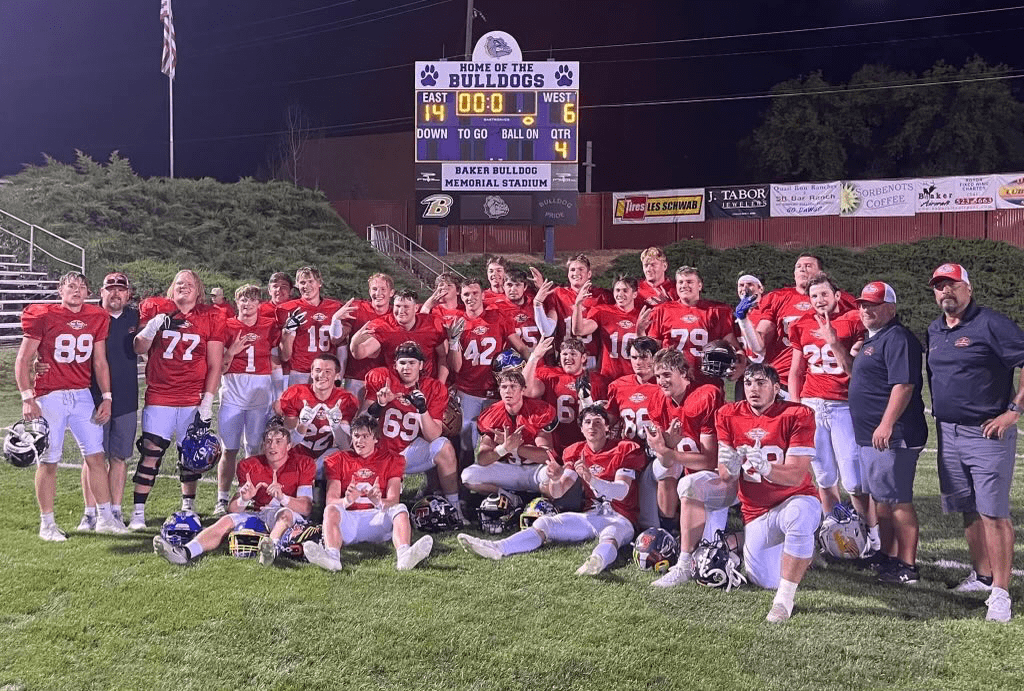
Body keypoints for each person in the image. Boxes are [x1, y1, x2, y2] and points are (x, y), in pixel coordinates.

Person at [925, 263, 1024, 622]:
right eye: (939, 286)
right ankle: (982, 576)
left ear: (968, 288)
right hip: (947, 432)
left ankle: (1000, 594)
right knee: (967, 507)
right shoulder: (935, 329)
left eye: (952, 285)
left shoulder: (991, 323)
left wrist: (1014, 411)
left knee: (993, 513)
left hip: (986, 432)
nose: (946, 292)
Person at [458, 405, 646, 576]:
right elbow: (558, 492)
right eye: (587, 422)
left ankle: (598, 561)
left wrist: (592, 480)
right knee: (545, 523)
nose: (592, 426)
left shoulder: (624, 448)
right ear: (581, 428)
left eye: (598, 422)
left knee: (611, 535)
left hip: (621, 518)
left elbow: (621, 491)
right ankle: (498, 548)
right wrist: (555, 479)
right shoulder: (576, 451)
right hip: (591, 516)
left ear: (607, 428)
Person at [15, 272, 126, 539]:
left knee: (96, 456)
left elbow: (99, 361)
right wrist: (27, 398)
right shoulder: (44, 315)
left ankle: (105, 518)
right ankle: (47, 524)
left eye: (82, 287)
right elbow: (23, 359)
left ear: (88, 292)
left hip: (82, 394)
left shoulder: (97, 316)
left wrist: (107, 397)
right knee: (49, 460)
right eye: (71, 286)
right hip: (50, 396)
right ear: (60, 290)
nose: (77, 290)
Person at [717, 365, 819, 622]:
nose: (754, 389)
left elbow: (796, 475)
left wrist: (766, 468)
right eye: (749, 383)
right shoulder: (728, 414)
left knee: (800, 515)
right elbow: (725, 475)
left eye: (761, 383)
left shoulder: (798, 414)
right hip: (756, 511)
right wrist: (731, 466)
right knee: (765, 580)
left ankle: (784, 601)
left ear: (776, 388)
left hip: (793, 498)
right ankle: (794, 548)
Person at [129, 269, 226, 529]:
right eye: (179, 283)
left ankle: (188, 508)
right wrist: (153, 326)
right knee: (151, 453)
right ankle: (138, 513)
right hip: (160, 395)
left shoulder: (211, 316)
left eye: (189, 283)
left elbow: (215, 364)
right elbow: (138, 347)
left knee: (190, 455)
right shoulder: (157, 309)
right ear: (172, 288)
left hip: (192, 398)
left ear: (199, 290)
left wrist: (207, 402)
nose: (184, 286)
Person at [848, 281, 928, 585]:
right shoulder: (876, 338)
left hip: (893, 435)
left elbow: (904, 384)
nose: (866, 310)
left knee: (898, 500)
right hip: (872, 436)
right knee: (881, 499)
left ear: (891, 309)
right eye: (863, 305)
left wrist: (887, 423)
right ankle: (888, 554)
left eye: (874, 305)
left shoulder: (897, 338)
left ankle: (907, 566)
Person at [787, 273, 874, 537]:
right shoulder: (801, 324)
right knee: (824, 476)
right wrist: (796, 408)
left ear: (837, 295)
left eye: (824, 294)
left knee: (854, 480)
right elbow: (795, 371)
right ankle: (837, 534)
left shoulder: (853, 320)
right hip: (812, 405)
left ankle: (871, 535)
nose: (819, 300)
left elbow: (854, 370)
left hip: (843, 406)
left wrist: (833, 340)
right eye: (814, 295)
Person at [152, 424, 314, 566]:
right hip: (260, 514)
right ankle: (185, 552)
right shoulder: (250, 465)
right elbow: (233, 509)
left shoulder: (303, 464)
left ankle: (272, 549)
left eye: (279, 441)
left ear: (289, 446)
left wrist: (282, 497)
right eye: (269, 441)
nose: (273, 446)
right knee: (226, 520)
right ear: (263, 445)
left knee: (284, 514)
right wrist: (244, 499)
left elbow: (306, 508)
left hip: (290, 517)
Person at [304, 415, 434, 572]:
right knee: (330, 510)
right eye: (356, 436)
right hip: (350, 523)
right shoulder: (338, 460)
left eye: (365, 436)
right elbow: (331, 500)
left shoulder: (391, 459)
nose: (360, 441)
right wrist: (346, 500)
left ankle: (404, 555)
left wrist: (378, 501)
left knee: (400, 509)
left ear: (376, 439)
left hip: (377, 520)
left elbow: (393, 500)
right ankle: (332, 557)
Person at [361, 341, 464, 522]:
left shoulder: (433, 388)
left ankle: (455, 507)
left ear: (421, 365)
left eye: (412, 363)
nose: (406, 367)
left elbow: (433, 435)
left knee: (444, 447)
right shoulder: (382, 378)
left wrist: (422, 410)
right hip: (380, 453)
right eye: (402, 363)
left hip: (409, 451)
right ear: (395, 365)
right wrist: (379, 405)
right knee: (374, 512)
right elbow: (360, 424)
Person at [736, 254, 855, 396]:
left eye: (808, 266)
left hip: (825, 380)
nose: (802, 269)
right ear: (794, 274)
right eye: (798, 266)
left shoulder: (841, 300)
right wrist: (743, 319)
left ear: (820, 273)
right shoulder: (778, 298)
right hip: (783, 379)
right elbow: (758, 346)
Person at [74, 272, 138, 531]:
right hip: (92, 397)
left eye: (120, 289)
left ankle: (115, 511)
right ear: (101, 292)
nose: (115, 293)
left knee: (119, 457)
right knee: (93, 457)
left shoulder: (135, 317)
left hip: (127, 396)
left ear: (128, 294)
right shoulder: (89, 316)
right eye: (110, 288)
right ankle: (90, 513)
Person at [215, 284, 282, 517]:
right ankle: (222, 498)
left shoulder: (269, 325)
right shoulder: (227, 326)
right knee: (229, 449)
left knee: (254, 450)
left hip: (259, 398)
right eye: (243, 299)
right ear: (236, 302)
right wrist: (231, 352)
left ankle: (250, 496)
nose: (247, 304)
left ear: (259, 303)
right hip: (232, 396)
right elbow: (219, 367)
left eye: (252, 299)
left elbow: (277, 361)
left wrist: (279, 395)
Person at [446, 278, 526, 462]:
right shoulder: (458, 323)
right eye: (466, 294)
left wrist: (532, 365)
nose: (471, 298)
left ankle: (496, 477)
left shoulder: (498, 317)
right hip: (468, 391)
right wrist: (453, 342)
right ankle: (465, 477)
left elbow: (521, 347)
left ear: (483, 295)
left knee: (498, 440)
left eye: (475, 293)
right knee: (467, 442)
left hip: (496, 391)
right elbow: (456, 367)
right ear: (461, 297)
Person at [644, 348, 724, 531]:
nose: (661, 381)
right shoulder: (658, 401)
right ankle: (668, 528)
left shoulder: (705, 396)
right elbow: (665, 462)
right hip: (688, 468)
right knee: (661, 467)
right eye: (658, 376)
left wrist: (668, 451)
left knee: (709, 540)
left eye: (666, 374)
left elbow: (710, 461)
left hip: (719, 473)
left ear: (683, 372)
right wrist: (668, 447)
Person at [638, 265, 742, 389]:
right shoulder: (662, 310)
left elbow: (734, 347)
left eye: (689, 282)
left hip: (705, 382)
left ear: (700, 285)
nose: (684, 285)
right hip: (672, 382)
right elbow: (652, 351)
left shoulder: (716, 311)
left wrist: (740, 364)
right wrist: (640, 333)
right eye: (680, 282)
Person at [461, 369, 556, 497]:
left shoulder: (539, 411)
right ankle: (509, 498)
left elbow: (546, 456)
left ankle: (545, 503)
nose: (508, 391)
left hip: (535, 470)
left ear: (523, 390)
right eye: (504, 387)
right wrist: (504, 448)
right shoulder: (492, 415)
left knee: (554, 476)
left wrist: (515, 447)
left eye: (513, 386)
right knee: (468, 476)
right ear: (499, 390)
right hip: (509, 470)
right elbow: (482, 459)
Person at [522, 335, 608, 455]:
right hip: (555, 441)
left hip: (586, 444)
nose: (568, 357)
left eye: (573, 354)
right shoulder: (550, 375)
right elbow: (526, 389)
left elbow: (606, 418)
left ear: (583, 357)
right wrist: (534, 357)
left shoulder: (597, 381)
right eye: (564, 354)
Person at [275, 353, 359, 472]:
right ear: (311, 373)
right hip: (297, 454)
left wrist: (336, 427)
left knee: (345, 457)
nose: (322, 375)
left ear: (337, 376)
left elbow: (345, 446)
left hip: (326, 455)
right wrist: (303, 425)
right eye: (318, 370)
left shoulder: (345, 400)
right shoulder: (296, 394)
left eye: (327, 371)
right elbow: (287, 443)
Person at [531, 254, 611, 370]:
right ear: (568, 274)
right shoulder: (558, 294)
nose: (576, 273)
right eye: (572, 269)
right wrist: (538, 302)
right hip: (566, 359)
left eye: (581, 269)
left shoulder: (601, 296)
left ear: (589, 274)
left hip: (592, 359)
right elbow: (547, 330)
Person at [350, 288, 448, 383]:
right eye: (397, 306)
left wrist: (439, 385)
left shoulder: (432, 324)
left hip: (425, 384)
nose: (401, 311)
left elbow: (443, 357)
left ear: (416, 308)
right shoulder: (384, 326)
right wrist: (354, 342)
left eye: (406, 307)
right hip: (395, 385)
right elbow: (360, 354)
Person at [277, 266, 344, 387]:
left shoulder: (336, 308)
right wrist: (287, 331)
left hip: (326, 371)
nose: (306, 286)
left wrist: (339, 373)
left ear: (319, 283)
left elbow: (341, 344)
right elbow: (284, 356)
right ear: (297, 285)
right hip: (299, 371)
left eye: (310, 281)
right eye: (302, 282)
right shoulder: (288, 309)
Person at [572, 275, 648, 380]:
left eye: (625, 290)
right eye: (617, 290)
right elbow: (579, 331)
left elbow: (649, 351)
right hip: (609, 377)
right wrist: (578, 305)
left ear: (634, 294)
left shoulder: (642, 316)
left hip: (634, 378)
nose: (620, 294)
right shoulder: (603, 311)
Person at [336, 272, 395, 400]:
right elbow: (336, 340)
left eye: (383, 289)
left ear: (391, 292)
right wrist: (336, 320)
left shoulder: (397, 314)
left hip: (384, 378)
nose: (378, 293)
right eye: (374, 289)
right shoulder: (358, 309)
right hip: (356, 376)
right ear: (369, 291)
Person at [260, 271, 294, 400]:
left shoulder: (297, 308)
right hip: (267, 368)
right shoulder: (259, 310)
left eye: (284, 286)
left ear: (291, 291)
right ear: (269, 290)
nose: (279, 290)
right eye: (275, 286)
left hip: (293, 367)